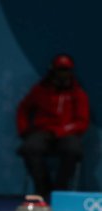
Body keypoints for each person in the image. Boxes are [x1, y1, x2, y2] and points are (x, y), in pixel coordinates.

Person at [17, 54, 90, 200]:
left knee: (73, 150)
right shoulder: (40, 90)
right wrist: (24, 130)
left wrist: (63, 130)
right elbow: (23, 109)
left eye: (66, 70)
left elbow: (82, 121)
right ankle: (42, 189)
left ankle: (59, 191)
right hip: (42, 131)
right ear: (53, 71)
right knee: (29, 147)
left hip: (67, 132)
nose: (62, 74)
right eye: (60, 70)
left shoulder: (77, 92)